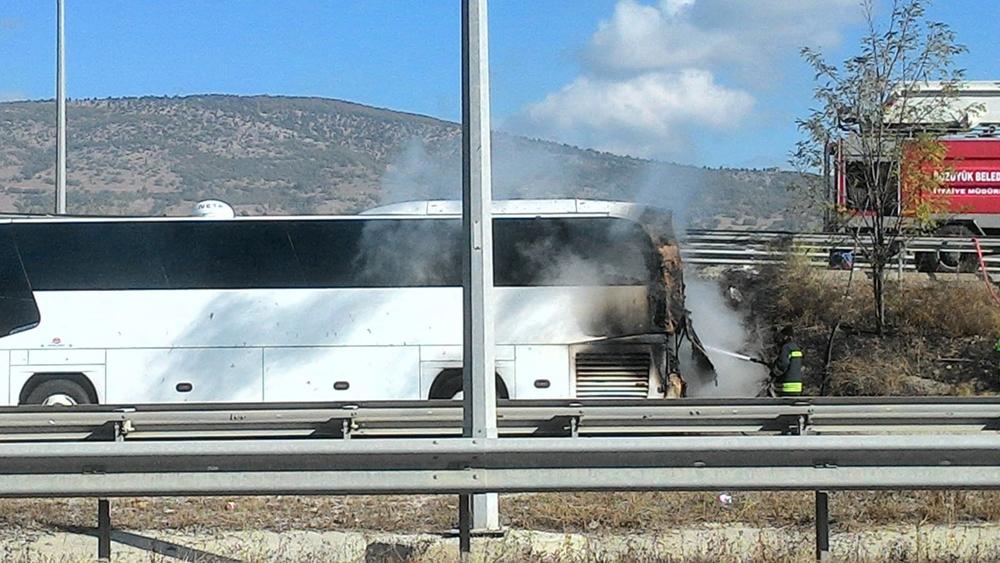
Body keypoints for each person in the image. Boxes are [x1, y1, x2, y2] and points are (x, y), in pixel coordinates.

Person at [771, 326, 803, 397]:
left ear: (786, 337)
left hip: (786, 387)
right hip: (797, 387)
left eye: (782, 336)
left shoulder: (786, 347)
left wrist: (773, 372)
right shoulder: (796, 348)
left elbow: (782, 364)